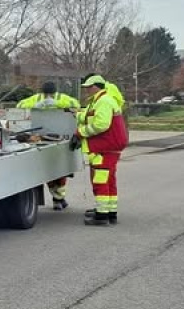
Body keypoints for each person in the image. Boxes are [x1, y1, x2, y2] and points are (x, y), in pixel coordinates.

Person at [17, 81, 79, 210]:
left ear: (55, 92)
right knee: (50, 171)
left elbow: (75, 105)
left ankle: (59, 198)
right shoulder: (37, 98)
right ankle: (58, 198)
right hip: (42, 136)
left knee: (60, 171)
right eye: (46, 94)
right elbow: (20, 105)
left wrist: (57, 104)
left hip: (59, 136)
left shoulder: (62, 98)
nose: (48, 96)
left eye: (50, 94)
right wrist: (36, 105)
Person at [78, 74, 128, 226]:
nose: (86, 90)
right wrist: (77, 114)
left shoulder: (103, 101)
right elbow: (90, 117)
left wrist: (81, 132)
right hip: (109, 146)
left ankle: (101, 216)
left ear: (96, 87)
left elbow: (101, 124)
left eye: (88, 87)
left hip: (105, 147)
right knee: (109, 180)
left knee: (100, 180)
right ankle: (110, 212)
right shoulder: (101, 100)